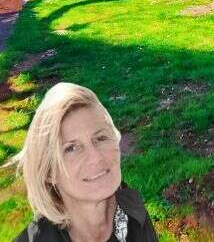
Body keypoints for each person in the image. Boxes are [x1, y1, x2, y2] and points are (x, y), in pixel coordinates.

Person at [8, 82, 158, 242]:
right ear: (49, 172)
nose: (95, 157)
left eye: (101, 138)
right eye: (71, 148)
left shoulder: (133, 215)